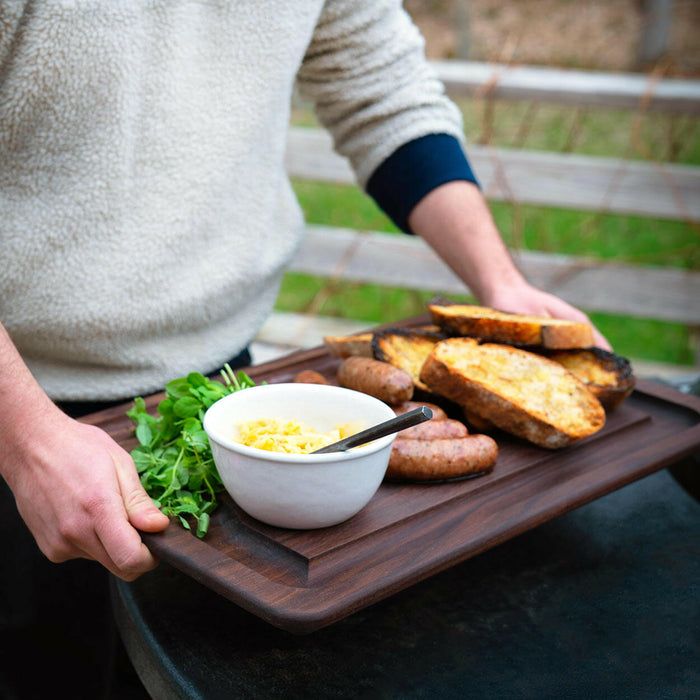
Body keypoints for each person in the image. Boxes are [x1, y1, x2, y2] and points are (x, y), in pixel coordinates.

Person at [0, 1, 610, 695]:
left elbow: (383, 90)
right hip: (23, 405)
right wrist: (23, 437)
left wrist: (499, 283)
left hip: (227, 385)